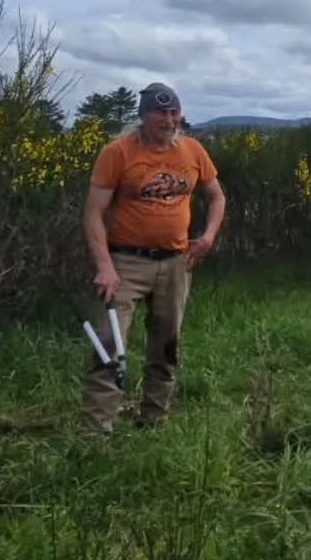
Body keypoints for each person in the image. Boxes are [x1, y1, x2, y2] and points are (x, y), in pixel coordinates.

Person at [80, 82, 227, 434]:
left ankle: (153, 420)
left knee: (166, 345)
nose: (170, 119)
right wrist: (104, 266)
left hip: (176, 263)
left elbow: (217, 197)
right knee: (108, 342)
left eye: (174, 112)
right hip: (125, 263)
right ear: (143, 116)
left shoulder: (193, 151)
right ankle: (95, 433)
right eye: (161, 112)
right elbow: (92, 214)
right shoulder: (118, 153)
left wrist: (207, 238)